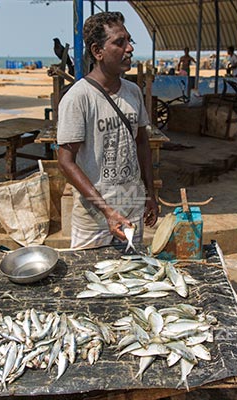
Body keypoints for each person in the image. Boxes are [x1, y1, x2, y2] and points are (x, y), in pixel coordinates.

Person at [56, 11, 158, 249]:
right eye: (119, 42)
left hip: (132, 210)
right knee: (91, 278)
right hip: (95, 219)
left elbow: (142, 143)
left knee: (131, 277)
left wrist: (150, 194)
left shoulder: (133, 92)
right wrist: (107, 211)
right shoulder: (79, 97)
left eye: (129, 41)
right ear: (97, 52)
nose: (130, 48)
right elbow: (65, 161)